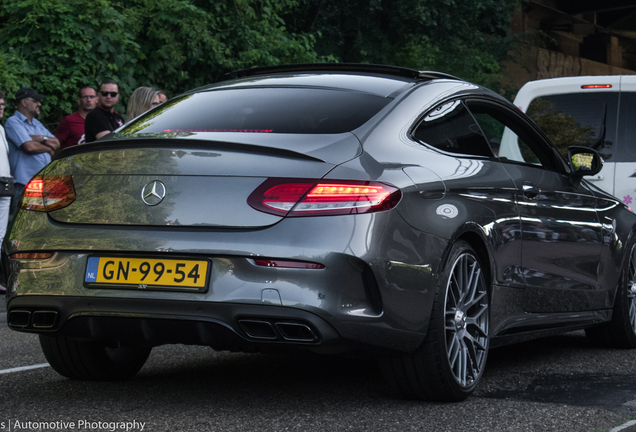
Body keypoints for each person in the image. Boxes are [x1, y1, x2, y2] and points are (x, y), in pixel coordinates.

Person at [5, 87, 60, 215]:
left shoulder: (36, 123)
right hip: (24, 183)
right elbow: (29, 147)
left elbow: (56, 143)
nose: (39, 104)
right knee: (21, 225)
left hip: (42, 184)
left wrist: (39, 138)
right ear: (24, 102)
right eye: (35, 101)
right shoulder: (13, 122)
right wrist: (47, 146)